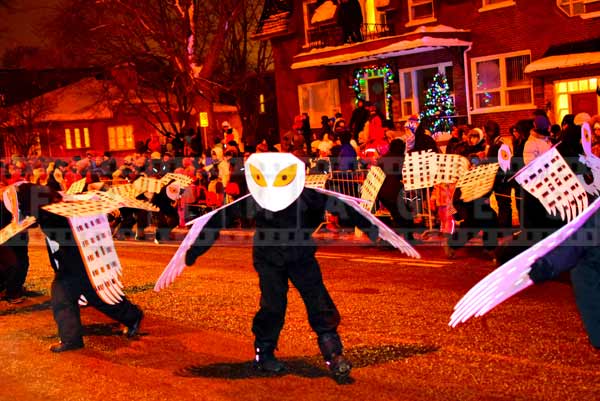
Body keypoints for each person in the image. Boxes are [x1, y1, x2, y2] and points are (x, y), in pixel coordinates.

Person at [183, 153, 382, 381]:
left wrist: (371, 228)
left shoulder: (305, 196)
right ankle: (264, 351)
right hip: (269, 259)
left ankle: (334, 354)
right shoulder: (256, 200)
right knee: (273, 305)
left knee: (318, 301)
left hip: (301, 256)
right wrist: (195, 250)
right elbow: (220, 219)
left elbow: (342, 208)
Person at [33, 185, 144, 352]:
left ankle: (132, 315)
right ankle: (71, 339)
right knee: (63, 298)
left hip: (81, 261)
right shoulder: (51, 209)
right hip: (70, 261)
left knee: (95, 296)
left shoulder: (55, 212)